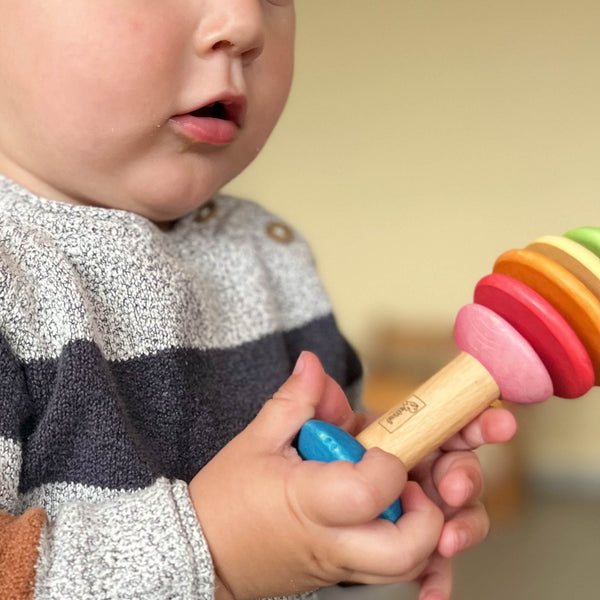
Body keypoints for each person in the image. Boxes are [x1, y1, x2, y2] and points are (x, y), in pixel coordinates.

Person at [0, 1, 517, 599]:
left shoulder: (272, 258)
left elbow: (294, 545)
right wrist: (216, 555)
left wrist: (351, 506)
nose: (244, 25)